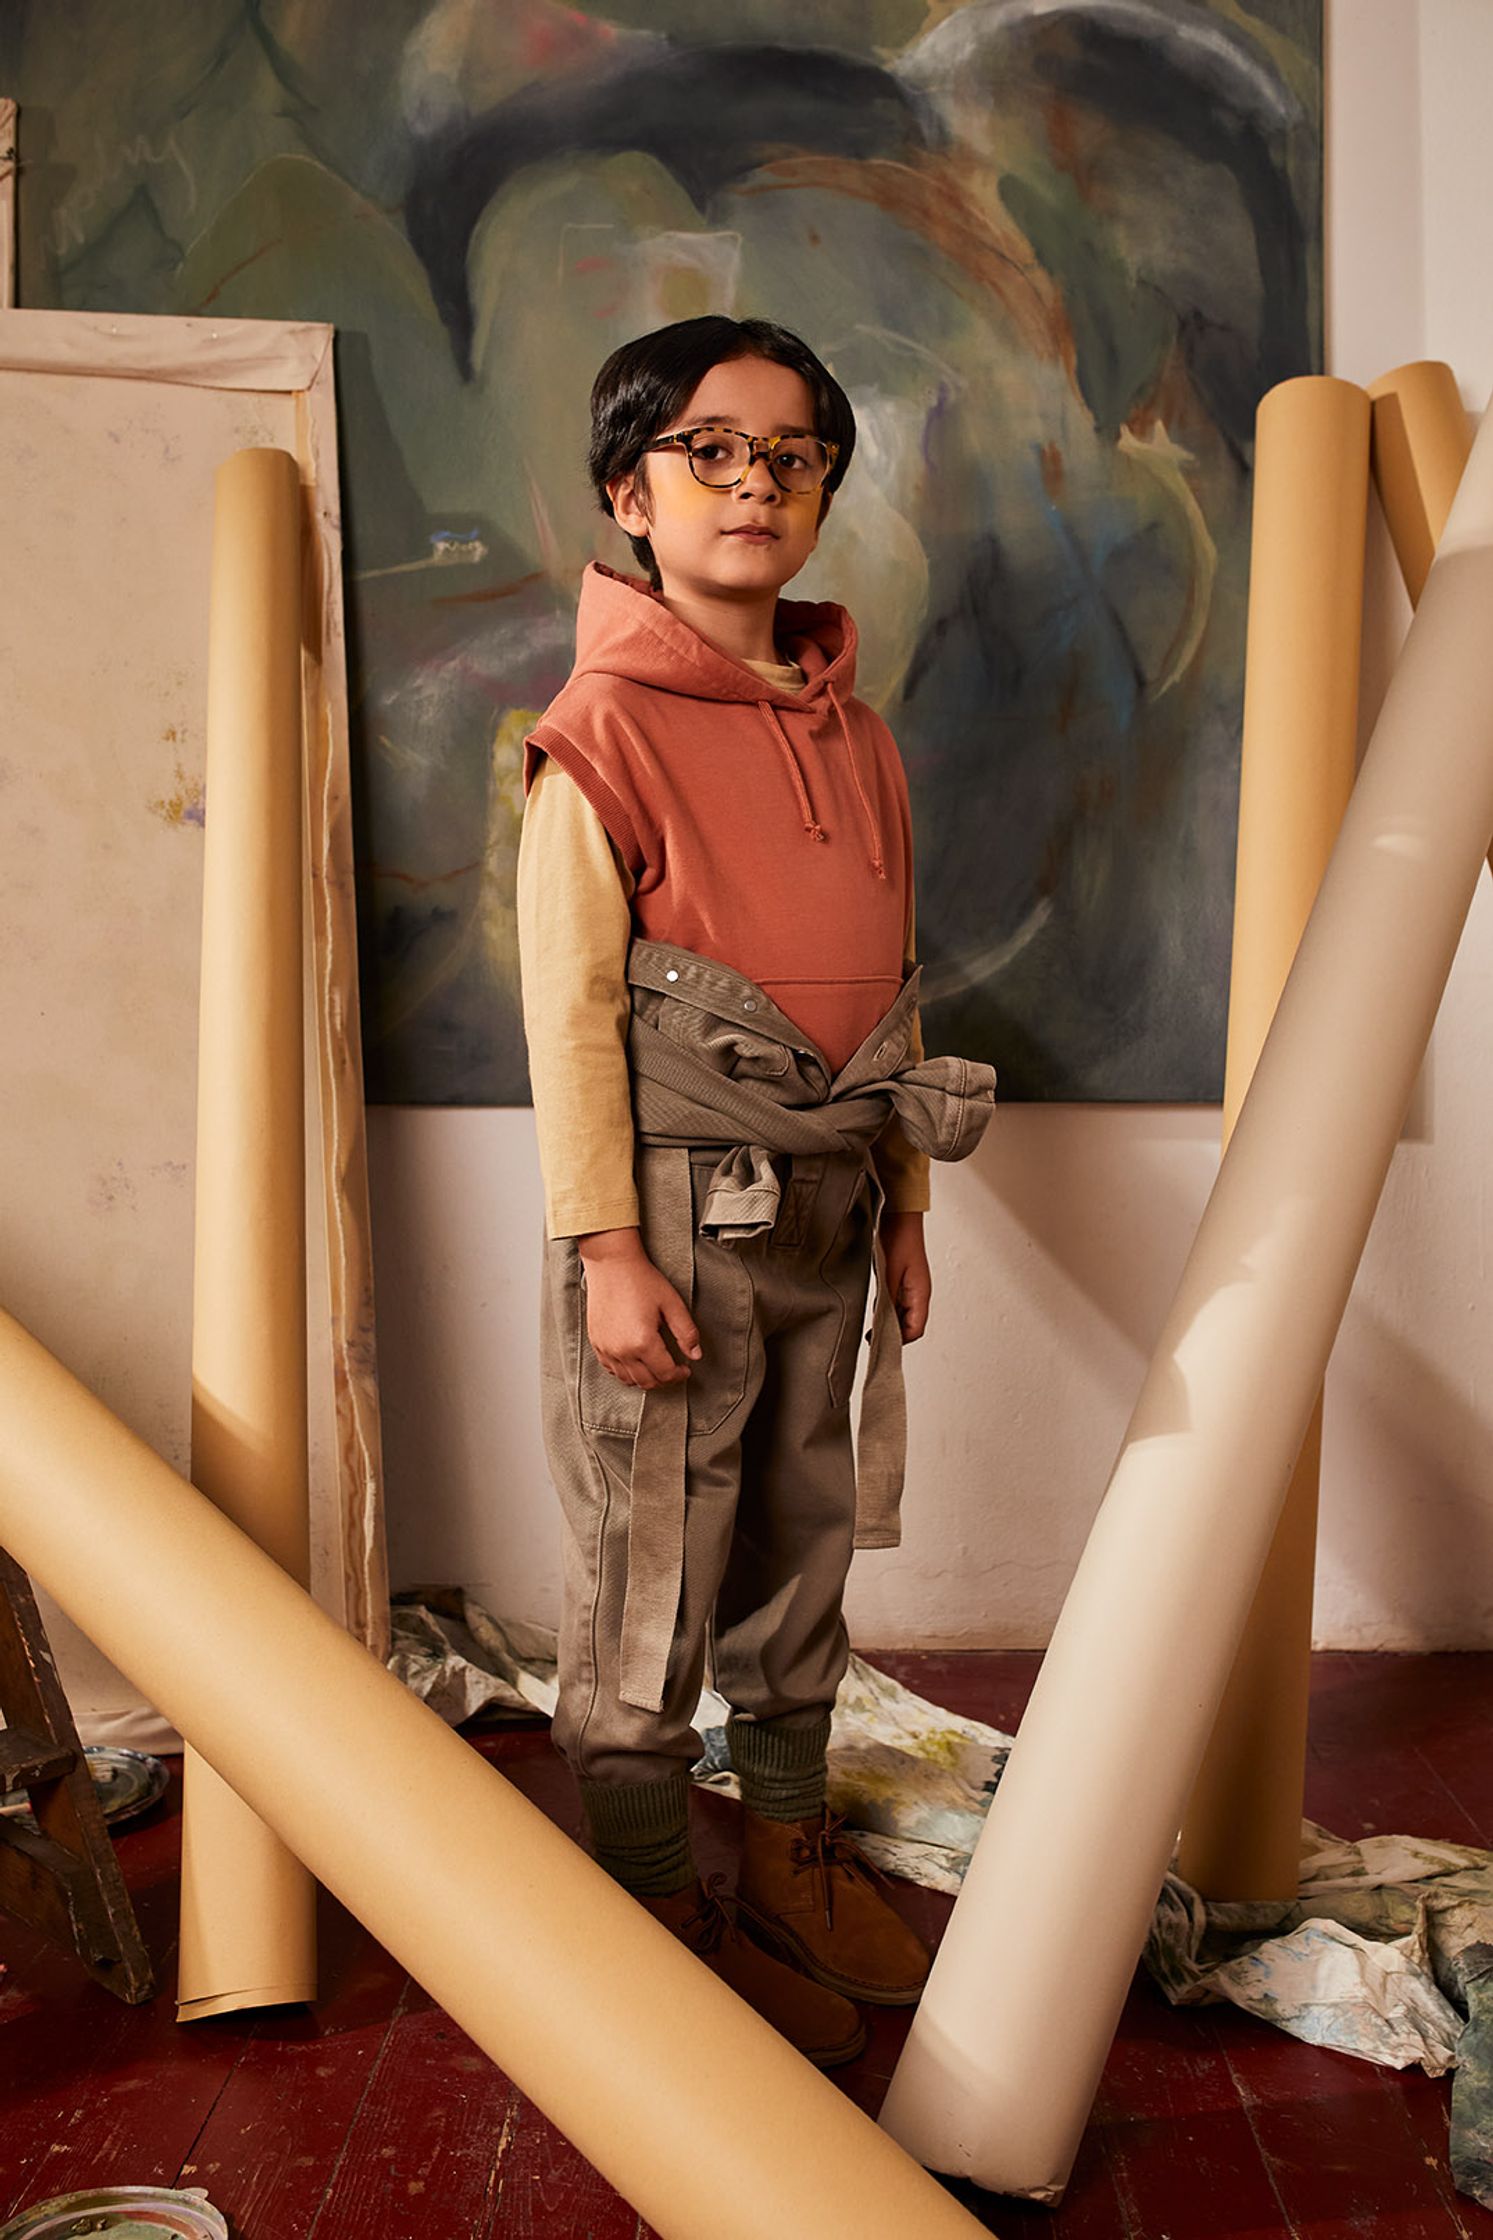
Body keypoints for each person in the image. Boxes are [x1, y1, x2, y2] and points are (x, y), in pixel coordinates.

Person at [516, 315, 994, 2069]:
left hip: (825, 1212)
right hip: (672, 1219)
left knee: (798, 1539)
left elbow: (892, 979)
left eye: (790, 456)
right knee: (655, 1560)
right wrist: (601, 1249)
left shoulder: (852, 734)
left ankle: (785, 1842)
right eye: (708, 450)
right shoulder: (596, 737)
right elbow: (570, 1015)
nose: (752, 484)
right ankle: (644, 1895)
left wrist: (906, 1205)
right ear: (627, 490)